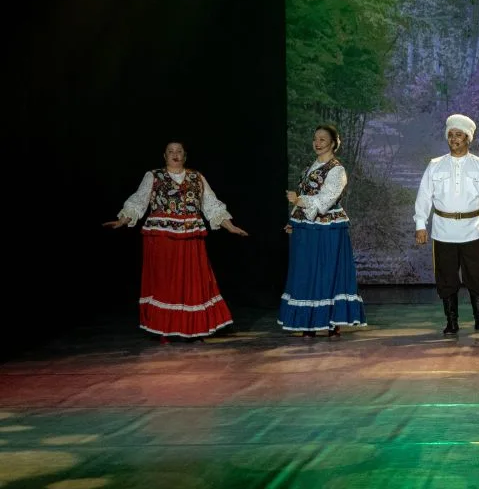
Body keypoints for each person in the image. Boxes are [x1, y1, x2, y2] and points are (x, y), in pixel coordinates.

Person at [104, 141, 248, 343]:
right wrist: (122, 220)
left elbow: (211, 205)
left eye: (179, 151)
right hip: (162, 238)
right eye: (170, 151)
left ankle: (193, 327)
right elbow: (138, 202)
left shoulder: (196, 177)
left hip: (190, 237)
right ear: (164, 156)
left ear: (185, 156)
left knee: (192, 282)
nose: (175, 154)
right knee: (165, 283)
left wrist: (230, 226)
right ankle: (165, 328)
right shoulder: (153, 176)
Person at [414, 114, 479, 335]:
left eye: (459, 135)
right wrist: (420, 224)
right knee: (446, 278)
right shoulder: (435, 165)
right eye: (450, 135)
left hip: (472, 231)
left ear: (468, 138)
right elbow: (424, 196)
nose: (454, 139)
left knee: (476, 276)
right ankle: (451, 322)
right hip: (443, 231)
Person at [278, 125, 366, 337]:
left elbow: (325, 200)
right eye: (315, 139)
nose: (317, 143)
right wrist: (293, 220)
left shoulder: (336, 170)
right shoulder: (312, 166)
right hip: (306, 228)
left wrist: (298, 201)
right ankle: (308, 322)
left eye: (322, 139)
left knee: (326, 272)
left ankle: (330, 320)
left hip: (327, 230)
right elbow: (306, 194)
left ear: (333, 143)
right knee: (306, 272)